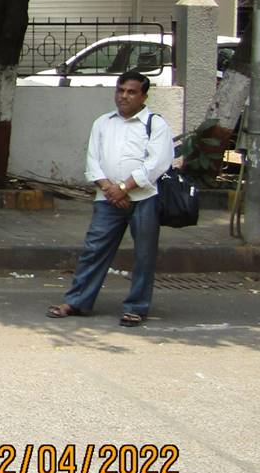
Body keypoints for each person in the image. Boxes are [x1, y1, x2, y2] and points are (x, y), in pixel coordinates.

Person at [47, 70, 174, 327]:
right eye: (120, 90)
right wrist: (110, 189)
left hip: (144, 199)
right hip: (107, 198)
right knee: (94, 250)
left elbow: (157, 163)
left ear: (144, 96)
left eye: (131, 92)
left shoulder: (155, 124)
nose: (124, 96)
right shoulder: (103, 122)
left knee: (144, 255)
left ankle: (136, 307)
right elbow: (92, 161)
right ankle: (77, 301)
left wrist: (125, 187)